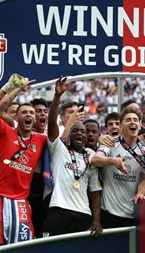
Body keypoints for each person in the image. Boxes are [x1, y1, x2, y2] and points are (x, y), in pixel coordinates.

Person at [0, 74, 48, 245]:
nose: (28, 115)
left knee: (23, 247)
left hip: (21, 201)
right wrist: (12, 89)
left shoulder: (41, 139)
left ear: (35, 119)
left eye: (31, 113)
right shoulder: (5, 132)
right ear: (16, 118)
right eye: (24, 112)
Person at [42, 77, 102, 237]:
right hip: (58, 209)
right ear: (68, 134)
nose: (80, 133)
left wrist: (97, 220)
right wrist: (57, 96)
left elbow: (95, 192)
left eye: (83, 131)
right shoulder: (59, 149)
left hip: (83, 214)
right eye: (75, 130)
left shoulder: (90, 158)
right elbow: (52, 124)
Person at [91, 107, 145, 228]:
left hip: (133, 213)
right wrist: (112, 161)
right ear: (121, 126)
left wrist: (140, 193)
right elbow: (94, 159)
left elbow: (144, 179)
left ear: (140, 125)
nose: (133, 122)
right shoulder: (111, 143)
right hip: (110, 212)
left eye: (135, 120)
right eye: (128, 120)